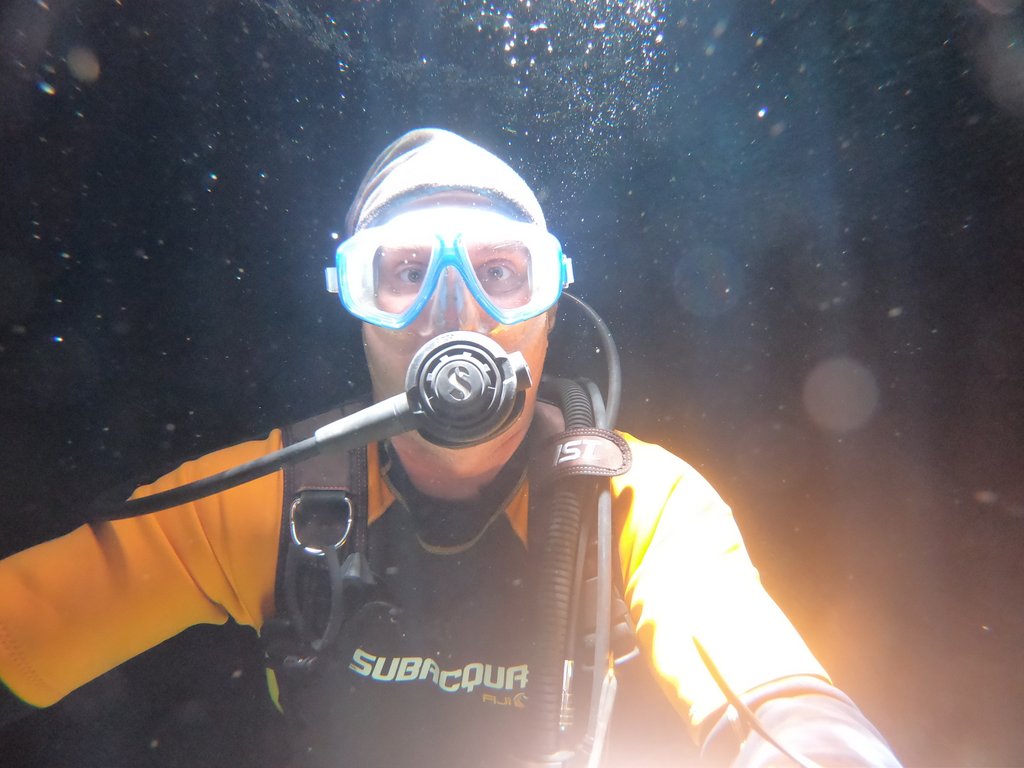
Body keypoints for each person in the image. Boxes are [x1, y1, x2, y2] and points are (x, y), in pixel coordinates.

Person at [0, 128, 900, 767]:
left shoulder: (638, 504)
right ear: (358, 308)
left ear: (550, 307)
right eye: (405, 273)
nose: (455, 311)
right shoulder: (268, 505)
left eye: (499, 272)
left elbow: (777, 696)